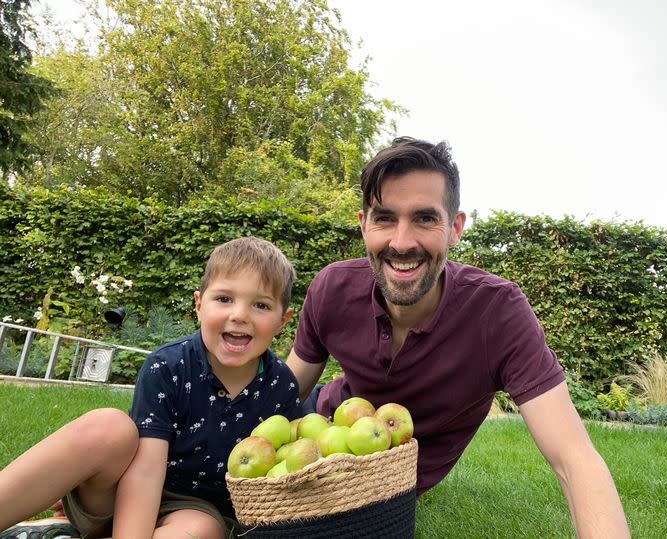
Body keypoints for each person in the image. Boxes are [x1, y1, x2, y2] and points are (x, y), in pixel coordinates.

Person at [287, 137, 631, 538]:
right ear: (364, 225)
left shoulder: (497, 313)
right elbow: (285, 392)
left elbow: (576, 459)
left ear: (455, 228)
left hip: (391, 479)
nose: (401, 242)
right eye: (384, 218)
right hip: (323, 421)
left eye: (424, 219)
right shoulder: (333, 288)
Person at [0, 237, 302, 539]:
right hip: (124, 492)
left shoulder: (282, 386)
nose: (239, 315)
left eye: (261, 305)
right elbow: (144, 472)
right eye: (224, 299)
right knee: (108, 426)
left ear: (282, 321)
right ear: (199, 304)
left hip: (193, 510)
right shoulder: (168, 366)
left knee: (201, 530)